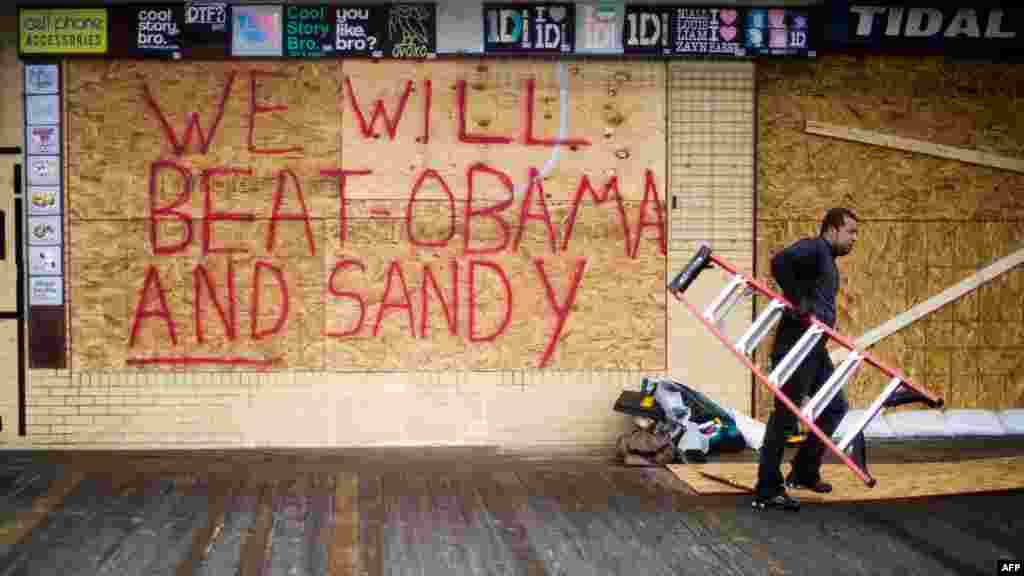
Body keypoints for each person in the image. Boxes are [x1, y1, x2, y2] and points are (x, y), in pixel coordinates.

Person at [752, 207, 862, 511]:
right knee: (785, 416)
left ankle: (803, 470)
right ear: (832, 229)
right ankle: (767, 488)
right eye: (851, 231)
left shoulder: (828, 262)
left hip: (814, 348)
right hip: (794, 346)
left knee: (834, 406)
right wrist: (799, 299)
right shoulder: (815, 248)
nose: (854, 239)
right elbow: (780, 262)